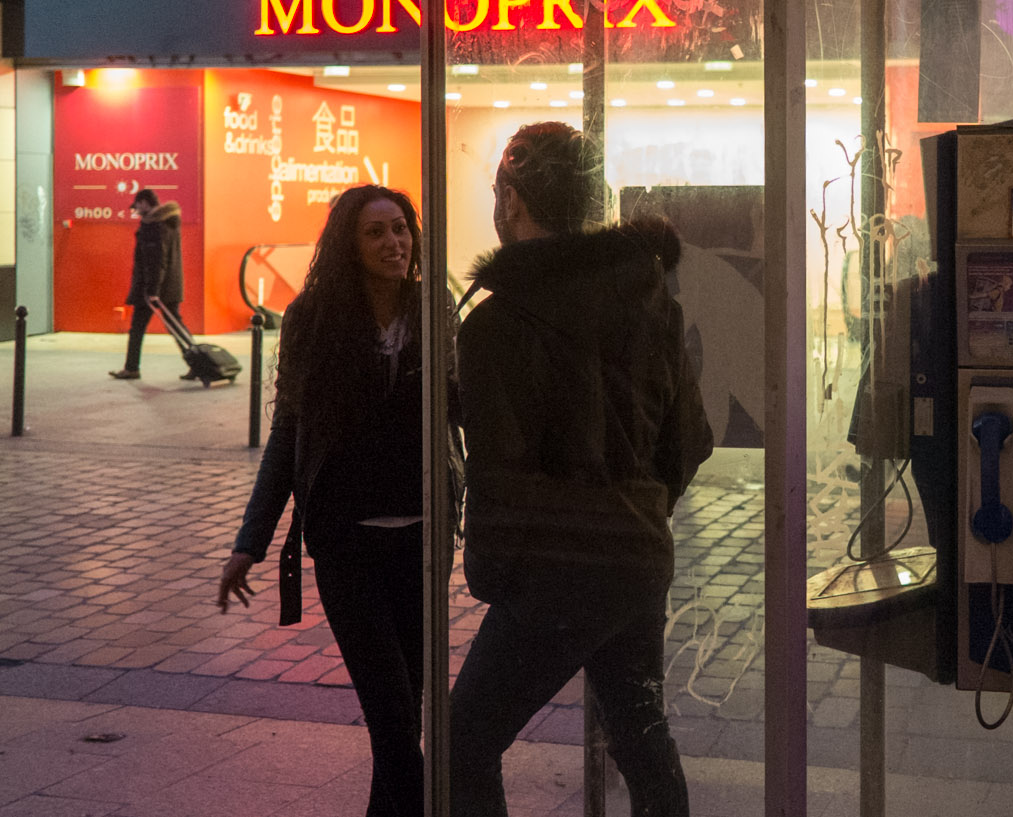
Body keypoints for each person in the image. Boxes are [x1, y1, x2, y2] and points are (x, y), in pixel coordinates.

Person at [450, 121, 713, 817]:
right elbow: (690, 437)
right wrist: (635, 506)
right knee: (642, 738)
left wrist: (503, 574)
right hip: (636, 558)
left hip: (554, 569)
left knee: (462, 744)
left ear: (511, 200)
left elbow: (498, 477)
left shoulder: (494, 326)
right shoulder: (647, 297)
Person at [216, 185, 428, 817]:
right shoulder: (314, 317)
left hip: (422, 537)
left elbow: (461, 411)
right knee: (391, 718)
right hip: (347, 541)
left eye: (401, 229)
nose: (395, 243)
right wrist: (249, 541)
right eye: (376, 233)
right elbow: (290, 431)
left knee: (403, 718)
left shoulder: (431, 307)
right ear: (348, 244)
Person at [109, 188, 184, 380]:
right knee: (176, 327)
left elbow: (155, 261)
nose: (136, 210)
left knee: (137, 329)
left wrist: (152, 290)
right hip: (170, 286)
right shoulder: (170, 222)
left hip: (152, 289)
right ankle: (199, 364)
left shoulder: (153, 226)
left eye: (137, 206)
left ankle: (131, 368)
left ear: (144, 203)